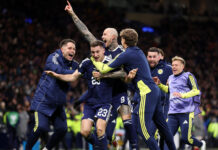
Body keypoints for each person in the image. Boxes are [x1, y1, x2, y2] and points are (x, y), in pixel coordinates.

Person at [64, 1, 138, 149]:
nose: (101, 36)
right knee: (105, 135)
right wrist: (73, 14)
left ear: (113, 37)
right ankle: (106, 146)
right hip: (105, 96)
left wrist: (107, 76)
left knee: (127, 120)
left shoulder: (123, 53)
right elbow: (85, 32)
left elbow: (125, 74)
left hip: (119, 92)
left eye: (104, 34)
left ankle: (134, 147)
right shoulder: (100, 48)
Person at [91, 28, 176, 150]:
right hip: (154, 91)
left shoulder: (127, 54)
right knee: (163, 127)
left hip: (146, 92)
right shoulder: (138, 51)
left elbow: (104, 69)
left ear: (123, 40)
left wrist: (93, 59)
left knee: (142, 129)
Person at [45, 40, 137, 150]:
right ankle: (100, 147)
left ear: (103, 50)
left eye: (97, 52)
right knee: (84, 131)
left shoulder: (112, 63)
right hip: (90, 104)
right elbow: (73, 77)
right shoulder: (87, 63)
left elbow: (123, 75)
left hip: (105, 103)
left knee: (99, 129)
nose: (95, 55)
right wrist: (56, 75)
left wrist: (107, 75)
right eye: (93, 52)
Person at [25, 39, 79, 150]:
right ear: (62, 49)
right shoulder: (53, 57)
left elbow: (82, 73)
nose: (72, 51)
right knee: (41, 127)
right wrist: (77, 73)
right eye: (69, 48)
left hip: (58, 104)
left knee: (62, 129)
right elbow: (57, 70)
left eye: (74, 49)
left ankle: (46, 149)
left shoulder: (75, 65)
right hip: (43, 100)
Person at [153, 56, 206, 150]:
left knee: (186, 139)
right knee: (167, 137)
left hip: (185, 112)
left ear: (182, 66)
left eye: (176, 65)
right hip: (172, 113)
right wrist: (160, 85)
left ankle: (201, 144)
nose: (173, 67)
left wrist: (183, 95)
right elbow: (169, 90)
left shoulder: (188, 76)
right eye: (173, 65)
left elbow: (196, 91)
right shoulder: (170, 78)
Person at [147, 47, 173, 149]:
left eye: (154, 57)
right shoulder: (144, 68)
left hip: (164, 106)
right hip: (148, 105)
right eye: (150, 57)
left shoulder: (168, 69)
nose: (152, 59)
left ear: (160, 57)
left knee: (162, 133)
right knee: (149, 133)